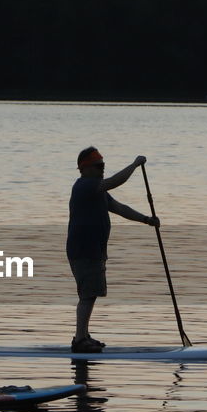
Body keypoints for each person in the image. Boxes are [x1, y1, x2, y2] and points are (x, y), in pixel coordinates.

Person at [66, 147, 159, 353]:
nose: (102, 169)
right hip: (83, 250)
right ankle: (79, 340)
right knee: (87, 295)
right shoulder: (85, 186)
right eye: (98, 166)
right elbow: (116, 181)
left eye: (103, 166)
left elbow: (120, 208)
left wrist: (146, 220)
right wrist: (135, 165)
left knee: (91, 293)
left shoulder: (98, 190)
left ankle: (84, 335)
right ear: (85, 168)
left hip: (95, 250)